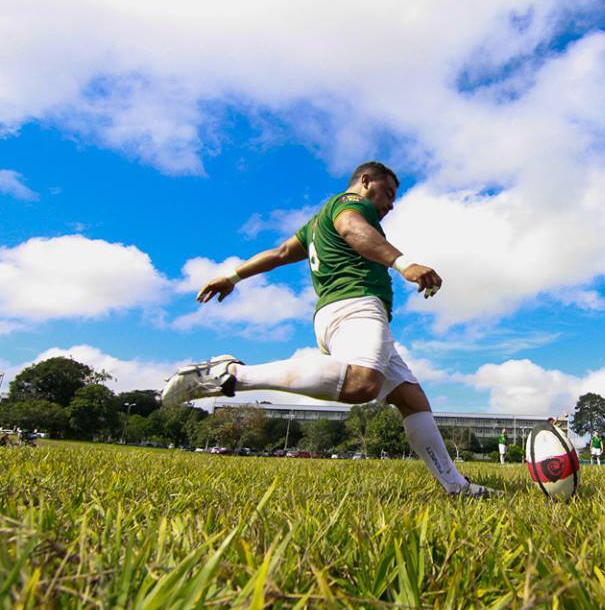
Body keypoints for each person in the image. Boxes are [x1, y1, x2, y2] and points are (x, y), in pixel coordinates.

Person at [161, 161, 500, 498]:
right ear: (366, 181)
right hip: (355, 304)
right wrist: (403, 264)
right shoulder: (349, 205)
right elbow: (353, 229)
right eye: (388, 193)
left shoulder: (314, 224)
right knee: (361, 384)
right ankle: (229, 374)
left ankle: (456, 486)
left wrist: (232, 276)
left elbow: (279, 253)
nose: (391, 204)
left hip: (336, 313)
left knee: (412, 399)